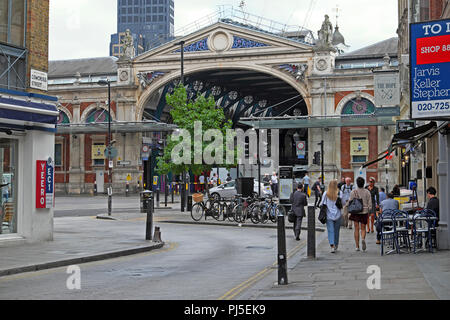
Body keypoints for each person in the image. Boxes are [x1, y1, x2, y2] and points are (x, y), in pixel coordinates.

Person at [348, 177, 372, 252]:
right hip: (364, 211)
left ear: (357, 183)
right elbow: (370, 203)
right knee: (363, 228)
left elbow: (350, 202)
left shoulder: (353, 192)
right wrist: (368, 209)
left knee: (356, 229)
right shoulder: (367, 192)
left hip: (355, 212)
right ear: (363, 183)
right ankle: (363, 238)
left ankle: (357, 246)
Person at [320, 179, 343, 253]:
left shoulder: (326, 193)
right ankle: (336, 245)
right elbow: (342, 203)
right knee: (336, 231)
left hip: (328, 215)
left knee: (330, 230)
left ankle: (332, 246)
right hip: (338, 215)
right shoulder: (340, 193)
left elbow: (321, 203)